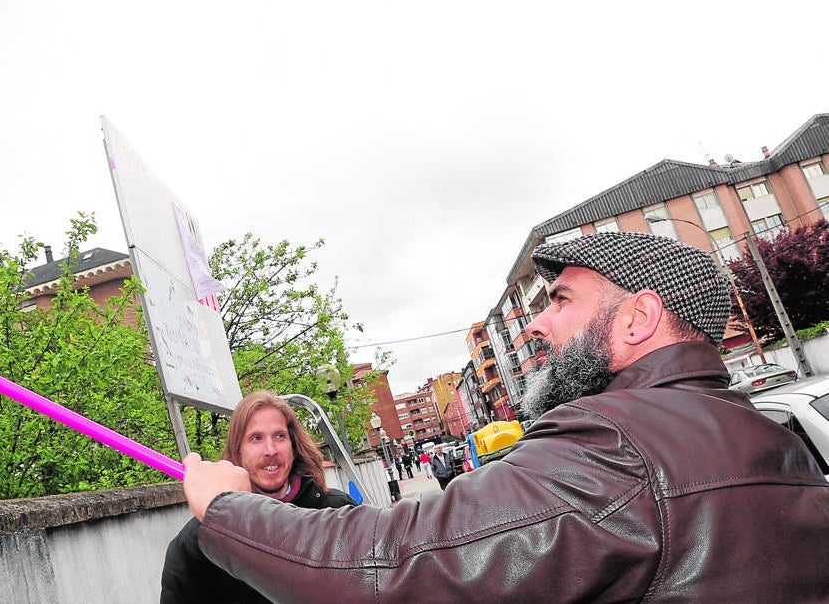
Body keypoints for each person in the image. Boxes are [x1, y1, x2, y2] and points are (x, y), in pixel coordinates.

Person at [183, 232, 829, 601]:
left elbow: (389, 563)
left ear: (638, 318)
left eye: (562, 300)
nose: (537, 325)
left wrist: (225, 509)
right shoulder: (776, 441)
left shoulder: (613, 447)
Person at [161, 391, 355, 603]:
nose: (270, 450)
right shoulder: (199, 542)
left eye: (279, 436)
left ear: (293, 445)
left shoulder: (338, 513)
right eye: (256, 438)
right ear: (238, 450)